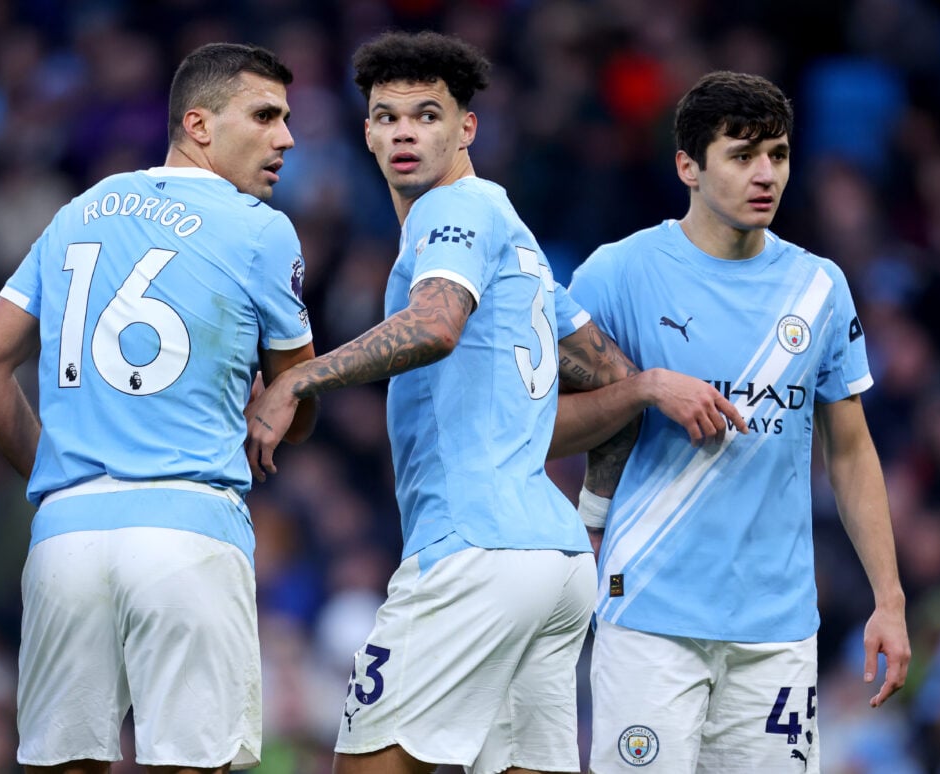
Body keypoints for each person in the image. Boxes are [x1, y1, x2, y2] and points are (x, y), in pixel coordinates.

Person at [245, 31, 745, 774]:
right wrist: (592, 522)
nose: (406, 132)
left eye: (427, 114)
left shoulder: (463, 211)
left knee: (370, 762)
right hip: (553, 562)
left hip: (472, 551)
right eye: (388, 117)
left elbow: (438, 323)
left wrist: (298, 377)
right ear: (368, 134)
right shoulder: (523, 256)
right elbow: (617, 388)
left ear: (467, 128)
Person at [0, 42, 317, 774]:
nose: (286, 137)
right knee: (195, 763)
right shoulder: (259, 227)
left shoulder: (77, 211)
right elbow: (294, 396)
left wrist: (56, 469)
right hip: (186, 527)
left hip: (66, 539)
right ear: (200, 124)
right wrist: (276, 409)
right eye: (266, 115)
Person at [569, 70, 912, 773]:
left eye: (778, 155)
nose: (766, 175)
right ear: (688, 166)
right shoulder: (620, 274)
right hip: (651, 617)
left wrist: (890, 598)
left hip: (778, 631)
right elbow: (544, 427)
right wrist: (645, 390)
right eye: (742, 154)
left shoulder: (820, 288)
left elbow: (849, 452)